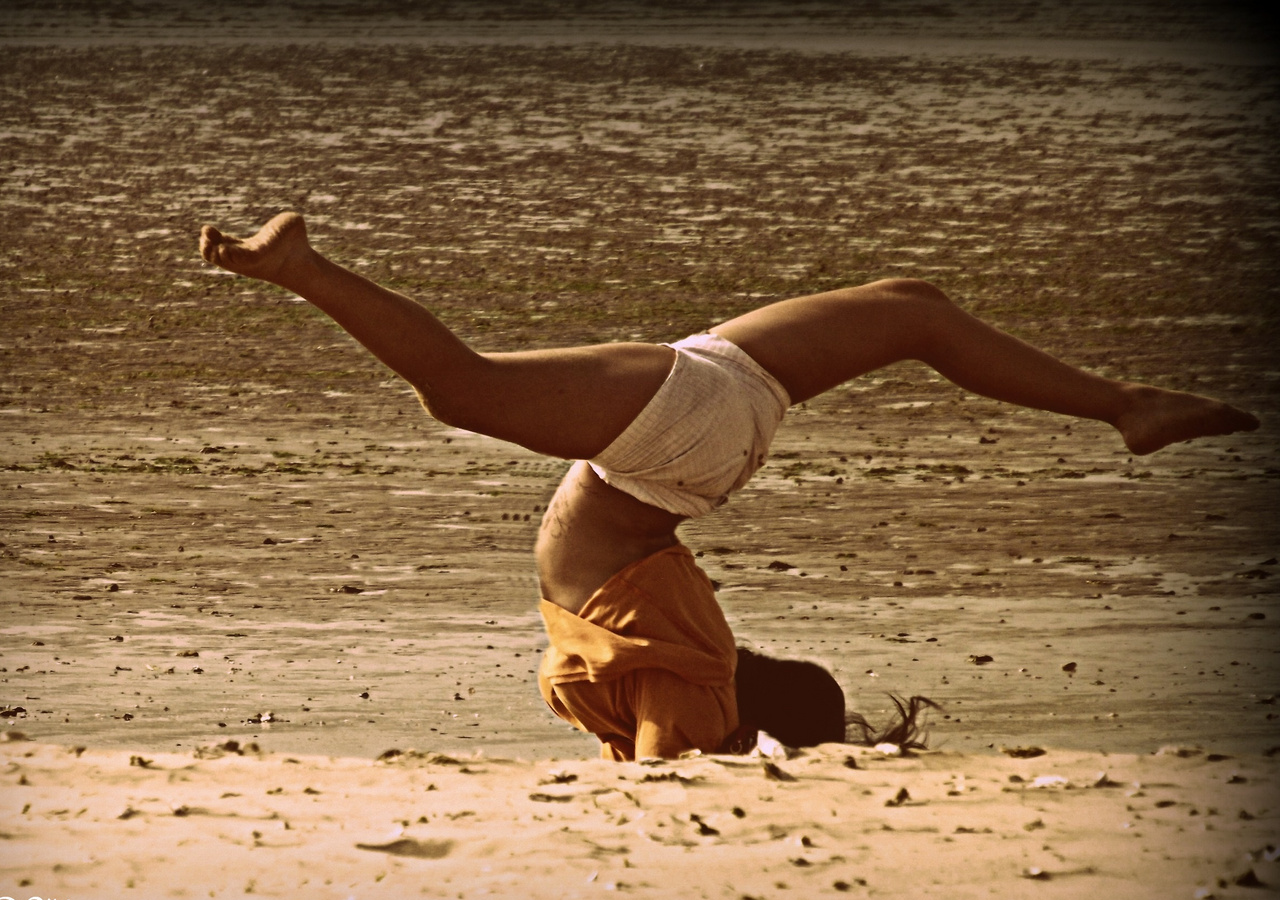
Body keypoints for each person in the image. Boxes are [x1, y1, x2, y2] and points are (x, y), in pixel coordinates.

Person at [199, 211, 1259, 761]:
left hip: (703, 441)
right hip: (677, 447)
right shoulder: (695, 684)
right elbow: (671, 779)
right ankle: (299, 267)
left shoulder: (684, 666)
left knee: (916, 310)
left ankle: (1127, 405)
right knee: (460, 392)